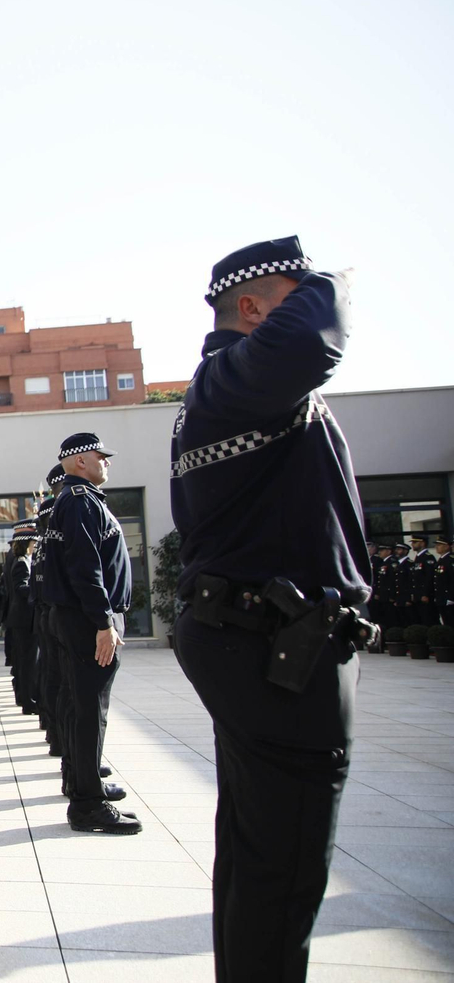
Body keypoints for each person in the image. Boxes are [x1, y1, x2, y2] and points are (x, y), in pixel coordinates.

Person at [170, 236, 372, 982]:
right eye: (295, 291)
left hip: (266, 637)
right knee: (282, 870)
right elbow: (310, 340)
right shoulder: (235, 380)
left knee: (262, 854)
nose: (317, 298)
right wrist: (335, 278)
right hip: (277, 646)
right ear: (251, 308)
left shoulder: (233, 389)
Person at [43, 432, 137, 835]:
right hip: (87, 619)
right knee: (89, 711)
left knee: (78, 705)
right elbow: (86, 567)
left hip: (78, 617)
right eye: (101, 456)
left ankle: (81, 782)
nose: (107, 463)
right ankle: (88, 804)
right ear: (81, 460)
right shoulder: (80, 501)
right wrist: (103, 622)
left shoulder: (74, 499)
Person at [32, 466, 66, 750]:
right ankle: (59, 737)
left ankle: (55, 732)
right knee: (62, 680)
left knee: (52, 674)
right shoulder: (54, 536)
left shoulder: (43, 542)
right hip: (57, 612)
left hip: (48, 612)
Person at [3, 519, 38, 715]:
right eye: (33, 544)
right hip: (24, 619)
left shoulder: (22, 561)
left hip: (22, 618)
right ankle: (28, 700)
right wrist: (38, 589)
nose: (34, 547)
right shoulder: (22, 563)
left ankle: (26, 698)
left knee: (25, 661)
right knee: (27, 662)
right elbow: (21, 588)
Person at [437, 537, 454, 627]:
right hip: (441, 596)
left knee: (451, 621)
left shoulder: (450, 559)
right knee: (446, 621)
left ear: (447, 546)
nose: (437, 547)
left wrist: (451, 597)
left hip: (448, 597)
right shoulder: (441, 560)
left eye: (440, 545)